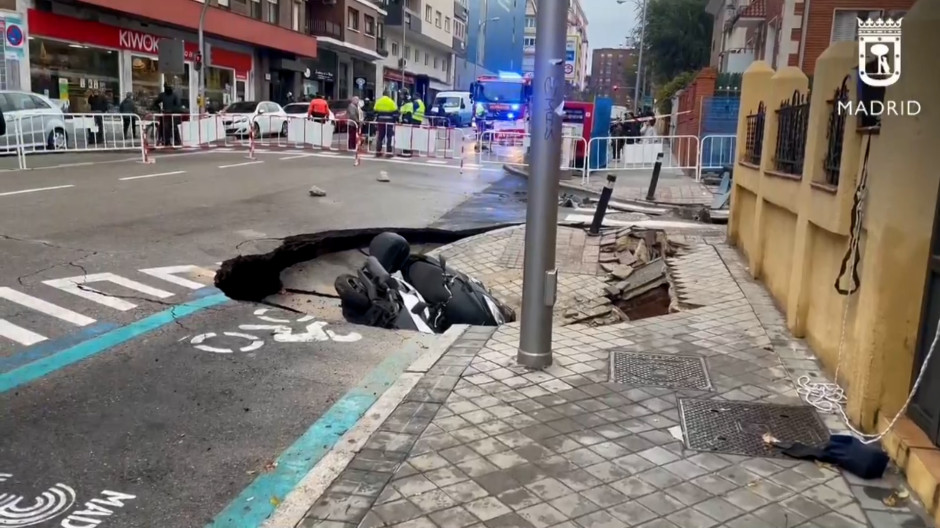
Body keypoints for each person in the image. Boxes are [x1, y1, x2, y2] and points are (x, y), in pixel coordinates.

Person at [372, 91, 399, 158]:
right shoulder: (391, 101)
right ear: (388, 94)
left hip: (381, 121)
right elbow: (396, 112)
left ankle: (378, 152)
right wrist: (395, 120)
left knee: (380, 136)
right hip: (389, 122)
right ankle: (388, 152)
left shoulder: (379, 101)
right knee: (389, 137)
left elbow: (374, 111)